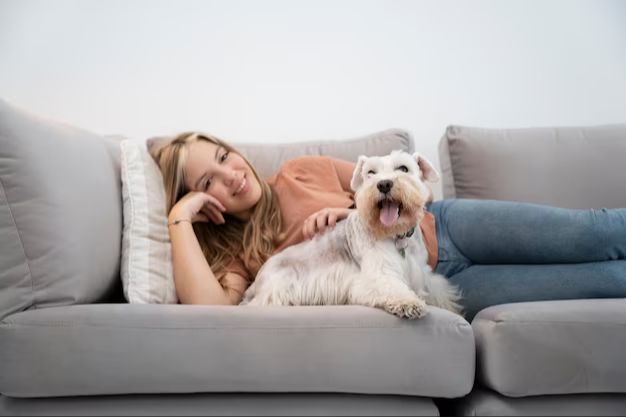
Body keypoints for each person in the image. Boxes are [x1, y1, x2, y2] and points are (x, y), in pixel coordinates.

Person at [154, 131, 626, 319]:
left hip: (446, 227)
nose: (230, 175)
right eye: (207, 182)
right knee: (605, 281)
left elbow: (378, 183)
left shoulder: (304, 169)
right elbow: (209, 309)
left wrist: (347, 210)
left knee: (597, 232)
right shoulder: (245, 254)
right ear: (201, 200)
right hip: (442, 282)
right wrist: (179, 217)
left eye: (222, 157)